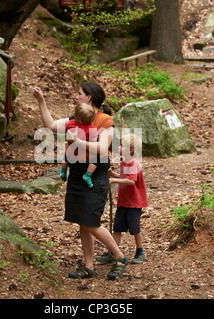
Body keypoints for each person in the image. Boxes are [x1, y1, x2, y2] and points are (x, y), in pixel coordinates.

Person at [32, 82, 128, 280]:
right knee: (82, 223)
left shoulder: (105, 120)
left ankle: (119, 256)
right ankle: (89, 266)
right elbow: (50, 125)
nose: (76, 97)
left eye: (79, 94)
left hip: (94, 177)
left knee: (91, 222)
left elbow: (102, 149)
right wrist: (41, 101)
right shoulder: (75, 118)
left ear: (89, 97)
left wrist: (77, 141)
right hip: (76, 176)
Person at [96, 133, 149, 265]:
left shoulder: (133, 163)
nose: (119, 147)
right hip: (123, 202)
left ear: (130, 150)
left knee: (135, 229)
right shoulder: (124, 162)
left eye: (121, 145)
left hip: (133, 203)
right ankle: (113, 252)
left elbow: (131, 181)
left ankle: (140, 251)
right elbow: (124, 176)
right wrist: (114, 174)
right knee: (117, 229)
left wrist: (114, 180)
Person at [60, 102, 98, 188]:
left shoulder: (71, 123)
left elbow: (69, 133)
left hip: (71, 152)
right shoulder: (92, 128)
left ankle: (63, 170)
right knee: (96, 159)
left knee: (65, 156)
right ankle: (88, 175)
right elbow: (94, 141)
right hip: (83, 153)